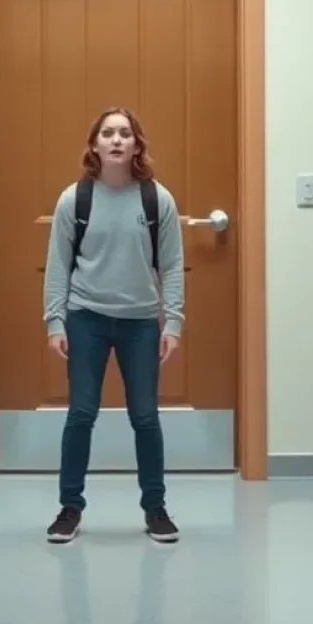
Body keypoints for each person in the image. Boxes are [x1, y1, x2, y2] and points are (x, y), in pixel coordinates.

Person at [42, 107, 185, 544]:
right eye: (108, 133)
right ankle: (69, 508)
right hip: (86, 319)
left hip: (141, 321)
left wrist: (173, 321)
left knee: (145, 417)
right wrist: (55, 320)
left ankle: (155, 508)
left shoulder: (157, 199)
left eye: (125, 133)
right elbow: (58, 265)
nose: (117, 140)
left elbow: (174, 263)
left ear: (137, 144)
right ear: (95, 145)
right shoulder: (75, 199)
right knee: (80, 414)